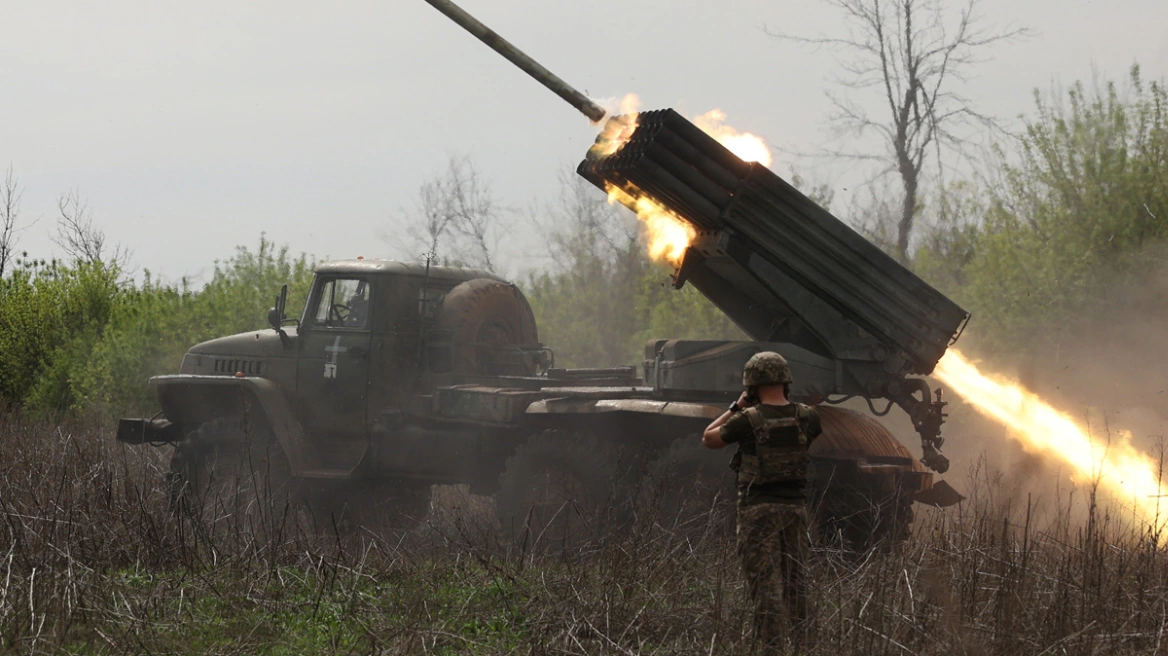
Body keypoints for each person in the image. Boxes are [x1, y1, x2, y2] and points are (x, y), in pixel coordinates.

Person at [702, 351, 822, 652]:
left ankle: (772, 649)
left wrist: (736, 406)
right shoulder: (808, 417)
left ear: (751, 386)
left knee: (765, 588)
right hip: (796, 509)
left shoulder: (747, 420)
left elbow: (709, 438)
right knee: (797, 584)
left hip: (758, 511)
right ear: (786, 380)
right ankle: (804, 647)